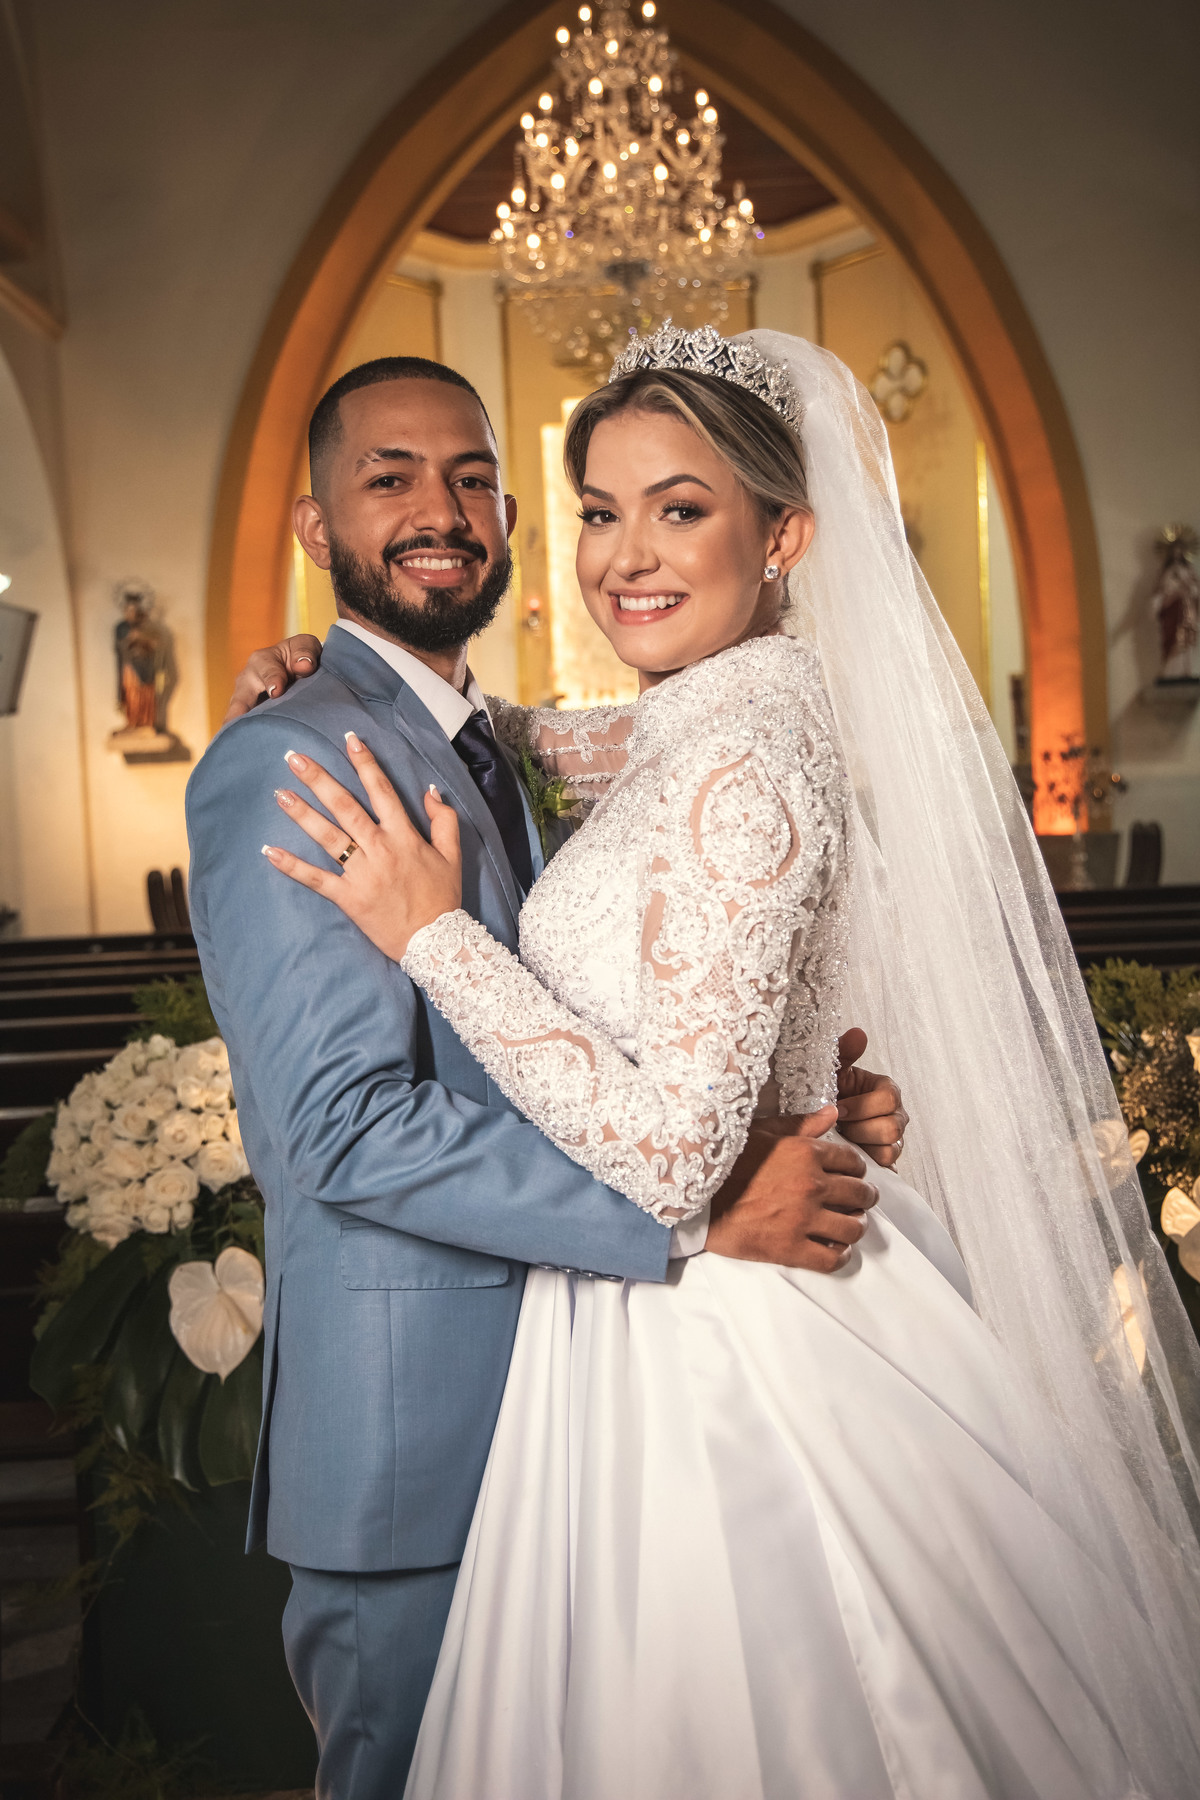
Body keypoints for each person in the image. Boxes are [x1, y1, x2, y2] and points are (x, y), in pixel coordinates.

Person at [262, 328, 1200, 1798]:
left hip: (727, 1350)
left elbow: (679, 1158)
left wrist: (439, 938)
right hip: (672, 1310)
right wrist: (338, 669)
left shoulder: (740, 758)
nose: (625, 555)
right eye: (598, 508)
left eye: (680, 508)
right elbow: (512, 739)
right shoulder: (715, 710)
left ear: (788, 534)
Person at [187, 353, 907, 1800]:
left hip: (590, 1398)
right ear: (318, 530)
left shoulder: (508, 747)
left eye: (471, 478)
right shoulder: (296, 761)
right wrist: (698, 1217)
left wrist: (797, 1101)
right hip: (422, 1432)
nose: (437, 509)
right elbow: (337, 1130)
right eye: (387, 479)